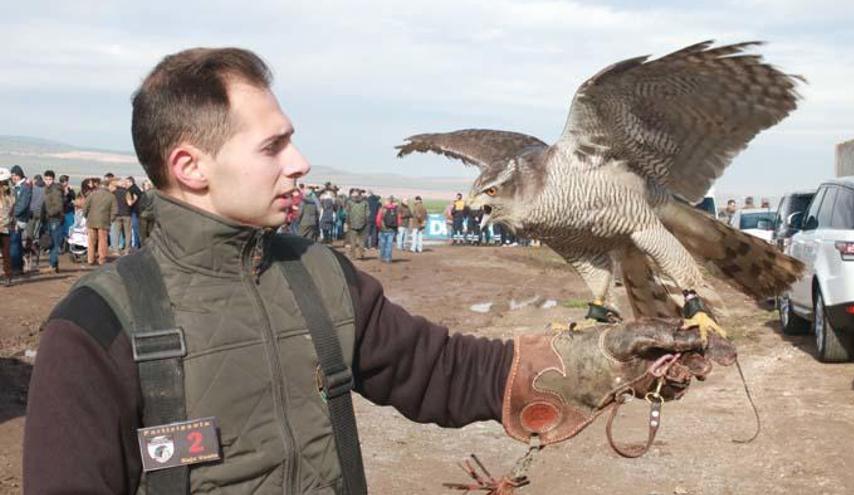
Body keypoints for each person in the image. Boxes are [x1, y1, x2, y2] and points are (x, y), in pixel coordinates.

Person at [23, 48, 707, 494]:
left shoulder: (320, 277)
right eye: (274, 145)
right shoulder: (96, 329)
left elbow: (445, 371)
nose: (300, 162)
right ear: (190, 167)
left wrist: (601, 359)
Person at [82, 178, 117, 265]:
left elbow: (85, 207)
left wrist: (86, 216)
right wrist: (111, 219)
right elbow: (114, 210)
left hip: (91, 220)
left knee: (91, 241)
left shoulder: (92, 194)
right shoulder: (111, 196)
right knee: (103, 241)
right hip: (104, 221)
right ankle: (102, 259)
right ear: (107, 186)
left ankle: (90, 259)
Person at [41, 170, 66, 273]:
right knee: (52, 242)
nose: (48, 181)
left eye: (50, 179)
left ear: (53, 179)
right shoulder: (47, 189)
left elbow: (58, 206)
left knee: (54, 243)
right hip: (50, 219)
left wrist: (49, 213)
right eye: (46, 179)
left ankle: (52, 265)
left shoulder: (55, 190)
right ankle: (55, 266)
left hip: (55, 219)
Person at [9, 165, 31, 273]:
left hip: (19, 219)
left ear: (19, 175)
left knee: (14, 243)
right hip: (16, 218)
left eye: (14, 175)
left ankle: (16, 268)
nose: (13, 178)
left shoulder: (25, 188)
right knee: (16, 243)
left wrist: (11, 214)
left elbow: (22, 205)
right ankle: (18, 266)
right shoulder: (18, 187)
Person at [345, 188, 369, 260]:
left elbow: (347, 213)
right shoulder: (365, 203)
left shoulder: (349, 202)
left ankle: (353, 256)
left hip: (352, 224)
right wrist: (365, 222)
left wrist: (347, 222)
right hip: (363, 224)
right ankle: (361, 254)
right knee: (362, 240)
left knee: (353, 241)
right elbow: (367, 214)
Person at [0, 167, 14, 286]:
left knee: (6, 253)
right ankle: (7, 276)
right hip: (6, 226)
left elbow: (10, 211)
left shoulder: (10, 195)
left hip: (5, 227)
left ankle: (8, 276)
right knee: (6, 253)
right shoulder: (11, 194)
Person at [112, 177, 134, 254]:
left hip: (117, 215)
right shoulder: (126, 192)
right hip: (126, 214)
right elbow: (129, 203)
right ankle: (126, 250)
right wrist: (134, 199)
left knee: (116, 233)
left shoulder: (114, 192)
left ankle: (116, 251)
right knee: (128, 233)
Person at [376, 195, 399, 263]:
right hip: (392, 230)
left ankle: (382, 257)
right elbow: (399, 220)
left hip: (383, 229)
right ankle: (388, 258)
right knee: (389, 245)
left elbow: (378, 220)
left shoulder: (382, 209)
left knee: (382, 244)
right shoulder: (395, 209)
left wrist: (379, 227)